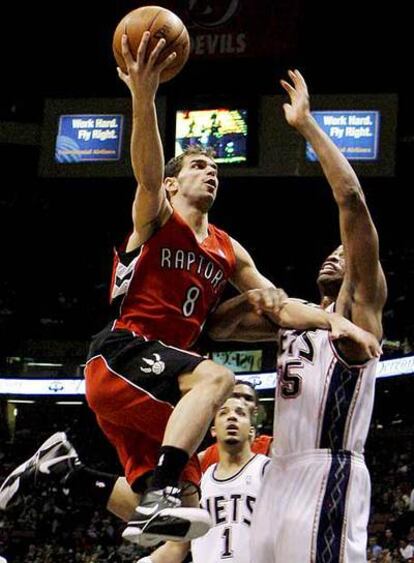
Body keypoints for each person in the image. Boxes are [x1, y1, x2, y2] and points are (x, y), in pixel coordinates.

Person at [209, 69, 387, 562]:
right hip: (278, 472)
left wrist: (306, 125)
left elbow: (351, 202)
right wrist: (255, 297)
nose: (334, 256)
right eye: (329, 252)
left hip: (328, 471)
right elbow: (217, 328)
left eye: (343, 254)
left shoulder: (358, 311)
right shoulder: (299, 317)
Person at [136, 396, 270, 563]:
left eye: (241, 413)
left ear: (252, 430)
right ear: (213, 430)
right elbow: (177, 547)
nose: (232, 417)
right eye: (223, 413)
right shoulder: (198, 484)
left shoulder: (269, 470)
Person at [199, 380, 272, 472]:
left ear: (256, 411)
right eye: (235, 396)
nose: (241, 401)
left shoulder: (272, 447)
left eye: (248, 398)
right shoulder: (204, 457)